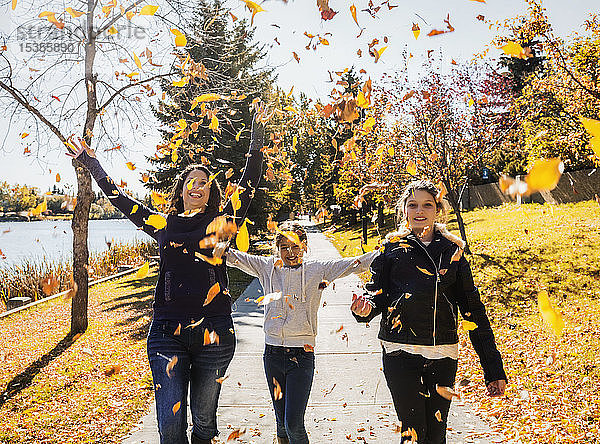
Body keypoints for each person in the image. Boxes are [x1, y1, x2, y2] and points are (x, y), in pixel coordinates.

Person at [67, 116, 265, 444]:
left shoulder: (222, 222)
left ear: (210, 192)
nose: (197, 186)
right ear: (182, 190)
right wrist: (91, 162)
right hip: (166, 333)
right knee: (171, 429)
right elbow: (120, 200)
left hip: (214, 332)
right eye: (191, 181)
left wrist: (256, 139)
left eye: (204, 182)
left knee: (203, 422)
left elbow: (249, 182)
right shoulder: (163, 223)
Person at [351, 179, 507, 444]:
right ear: (404, 211)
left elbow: (473, 311)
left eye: (427, 205)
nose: (419, 211)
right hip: (400, 352)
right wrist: (364, 308)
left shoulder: (452, 252)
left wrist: (493, 368)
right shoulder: (391, 250)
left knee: (435, 433)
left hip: (442, 354)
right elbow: (375, 295)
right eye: (412, 205)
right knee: (413, 432)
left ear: (438, 210)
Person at [225, 221, 378, 444]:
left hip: (302, 356)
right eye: (284, 247)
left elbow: (356, 263)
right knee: (281, 422)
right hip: (273, 355)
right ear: (277, 248)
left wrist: (390, 248)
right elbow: (233, 257)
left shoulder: (319, 270)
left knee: (294, 424)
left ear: (304, 246)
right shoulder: (266, 267)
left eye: (295, 246)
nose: (290, 252)